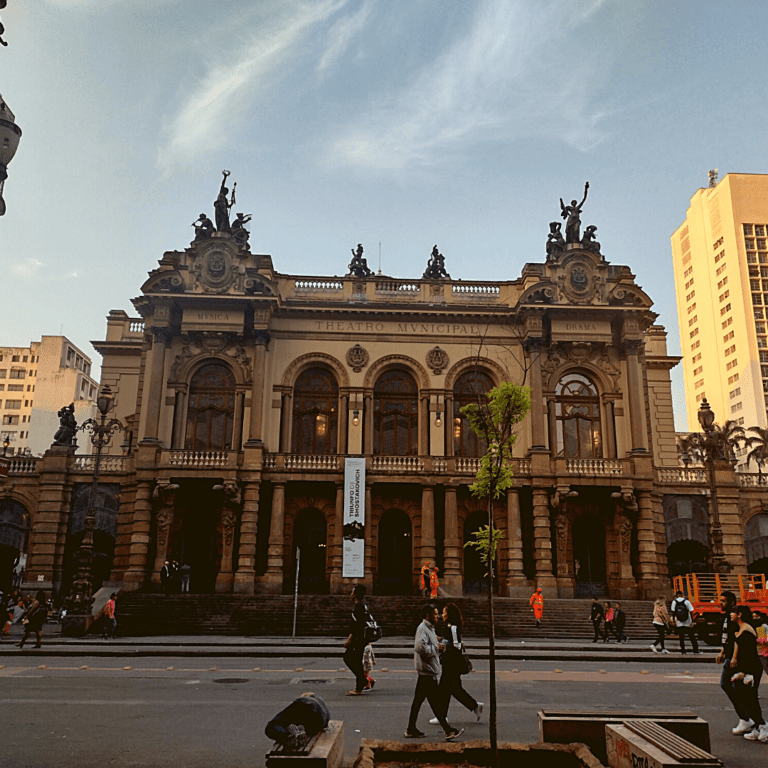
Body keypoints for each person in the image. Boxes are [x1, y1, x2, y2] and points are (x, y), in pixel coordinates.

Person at [404, 604, 464, 741]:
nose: (438, 616)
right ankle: (448, 730)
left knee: (421, 702)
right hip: (427, 671)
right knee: (435, 703)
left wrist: (437, 642)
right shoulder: (422, 629)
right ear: (427, 616)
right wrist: (437, 648)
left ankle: (411, 728)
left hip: (427, 672)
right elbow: (420, 647)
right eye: (435, 614)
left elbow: (428, 643)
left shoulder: (429, 628)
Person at [430, 603, 483, 725]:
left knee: (444, 689)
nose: (442, 615)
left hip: (451, 663)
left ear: (449, 614)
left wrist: (443, 646)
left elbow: (456, 644)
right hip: (450, 663)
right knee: (454, 689)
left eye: (444, 612)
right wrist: (440, 639)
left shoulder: (452, 627)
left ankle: (442, 716)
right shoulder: (450, 626)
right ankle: (474, 706)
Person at [715, 590, 753, 734]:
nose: (720, 603)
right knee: (738, 688)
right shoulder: (728, 617)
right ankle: (749, 719)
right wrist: (722, 651)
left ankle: (749, 720)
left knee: (728, 685)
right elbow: (728, 638)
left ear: (731, 603)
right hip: (731, 656)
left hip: (736, 658)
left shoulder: (736, 619)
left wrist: (734, 656)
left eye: (723, 601)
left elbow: (737, 639)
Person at [728, 605, 768, 742]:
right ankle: (757, 727)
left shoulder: (748, 629)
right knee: (743, 695)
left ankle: (762, 726)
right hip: (747, 666)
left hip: (751, 667)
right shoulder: (741, 628)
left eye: (733, 612)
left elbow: (749, 653)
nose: (730, 614)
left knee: (749, 698)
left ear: (739, 614)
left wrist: (744, 672)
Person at [265, 692, 330, 752]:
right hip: (318, 723)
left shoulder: (304, 701)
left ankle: (288, 735)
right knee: (292, 722)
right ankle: (298, 733)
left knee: (271, 726)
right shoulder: (321, 702)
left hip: (307, 706)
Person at [343, 585, 369, 696]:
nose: (351, 594)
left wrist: (350, 638)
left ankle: (360, 686)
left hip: (358, 638)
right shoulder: (362, 606)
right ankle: (361, 683)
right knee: (355, 661)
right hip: (361, 638)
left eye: (352, 592)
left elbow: (358, 625)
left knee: (349, 658)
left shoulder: (359, 606)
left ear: (355, 594)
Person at [671, 590, 700, 655]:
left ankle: (683, 651)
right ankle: (695, 650)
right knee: (692, 637)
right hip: (687, 622)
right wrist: (692, 621)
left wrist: (674, 621)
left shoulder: (674, 602)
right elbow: (691, 611)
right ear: (682, 594)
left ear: (676, 595)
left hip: (679, 622)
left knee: (681, 637)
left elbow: (673, 612)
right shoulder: (686, 601)